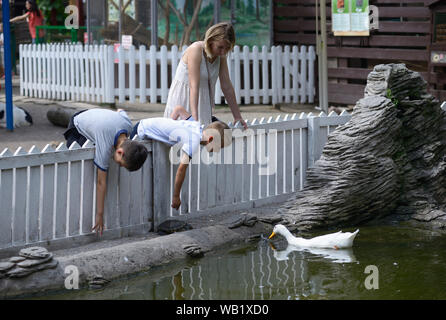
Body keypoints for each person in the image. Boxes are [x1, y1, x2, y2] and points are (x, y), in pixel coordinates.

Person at [63, 108, 149, 236]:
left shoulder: (127, 126)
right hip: (77, 124)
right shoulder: (105, 142)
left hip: (95, 114)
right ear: (120, 152)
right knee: (79, 157)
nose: (118, 165)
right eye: (120, 163)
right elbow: (101, 182)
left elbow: (121, 111)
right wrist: (99, 215)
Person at [133, 111, 231, 210]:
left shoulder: (195, 125)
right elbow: (181, 169)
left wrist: (169, 125)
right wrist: (176, 196)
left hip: (144, 124)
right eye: (218, 147)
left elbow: (179, 109)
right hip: (141, 131)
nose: (217, 151)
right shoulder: (194, 140)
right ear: (210, 139)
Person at [164, 22, 248, 129]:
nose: (223, 52)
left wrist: (237, 116)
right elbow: (193, 85)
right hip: (184, 95)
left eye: (227, 48)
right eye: (220, 47)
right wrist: (194, 118)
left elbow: (226, 85)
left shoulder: (221, 56)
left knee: (202, 139)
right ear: (210, 41)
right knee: (178, 134)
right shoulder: (196, 49)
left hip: (203, 100)